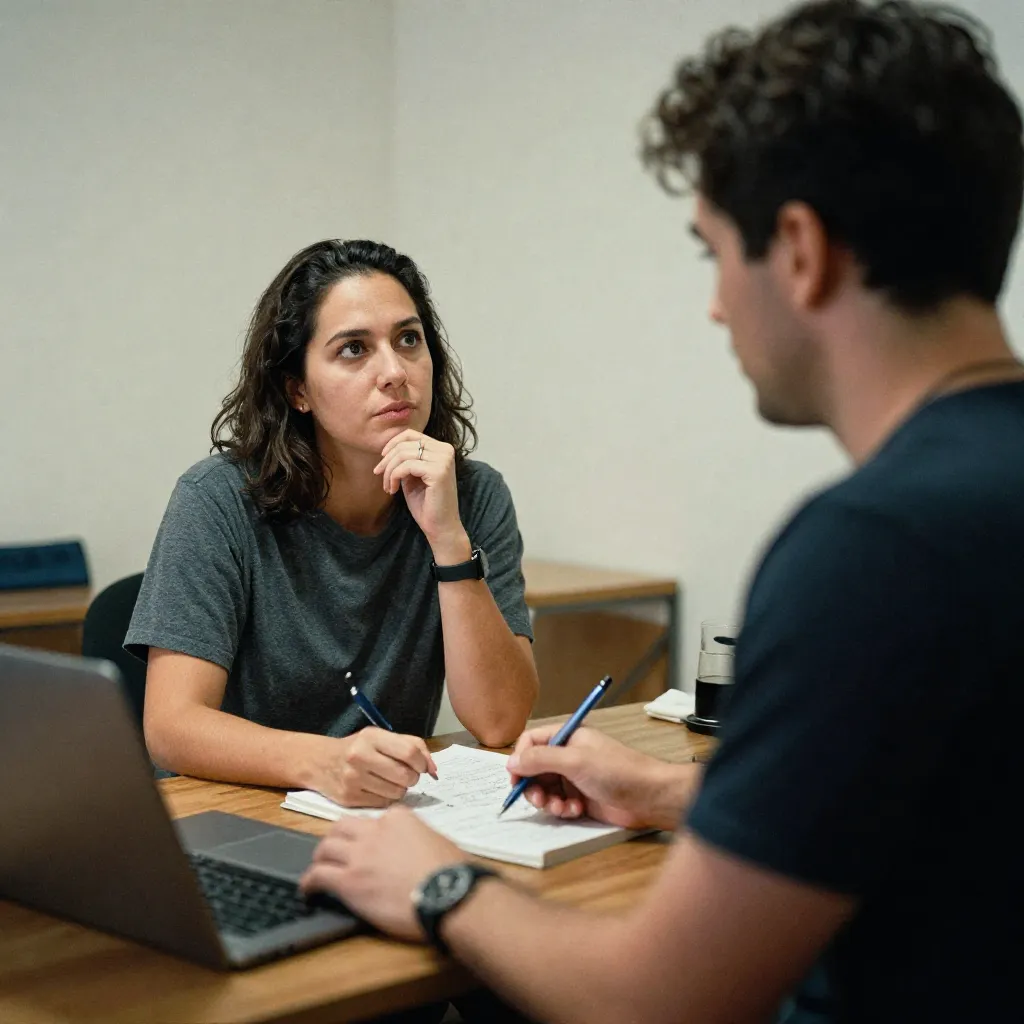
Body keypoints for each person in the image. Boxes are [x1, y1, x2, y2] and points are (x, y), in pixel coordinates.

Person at [299, 2, 1024, 1021]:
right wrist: (681, 796)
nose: (718, 304)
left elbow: (660, 1000)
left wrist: (436, 879)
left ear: (802, 250)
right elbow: (954, 818)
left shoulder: (872, 550)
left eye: (713, 252)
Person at [126, 239, 539, 808]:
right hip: (240, 812)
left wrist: (449, 542)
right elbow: (171, 728)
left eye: (408, 340)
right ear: (297, 389)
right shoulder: (218, 500)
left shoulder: (472, 494)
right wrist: (326, 761)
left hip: (384, 815)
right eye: (353, 350)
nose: (394, 372)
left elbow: (499, 721)